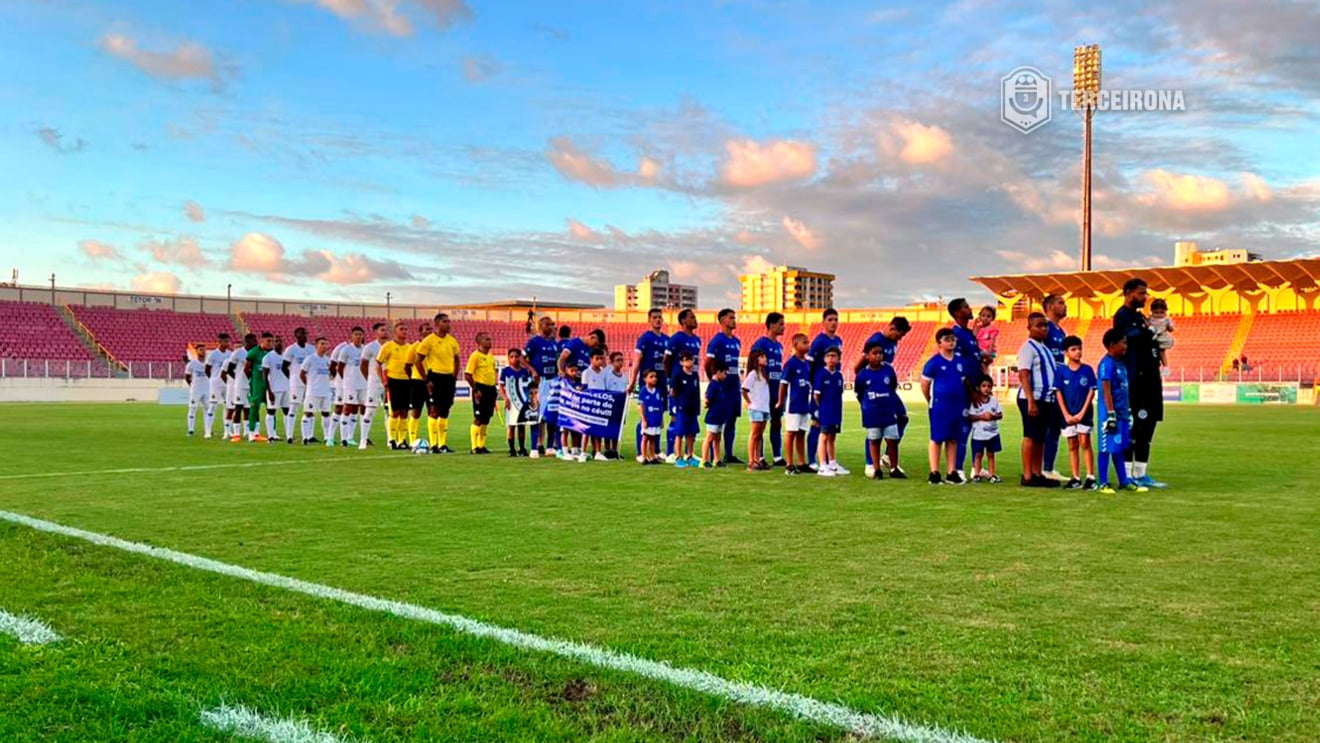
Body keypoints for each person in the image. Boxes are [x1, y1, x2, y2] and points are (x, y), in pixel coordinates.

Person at [1113, 278, 1165, 488]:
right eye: (1141, 293)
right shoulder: (1123, 316)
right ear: (1128, 293)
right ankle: (1127, 475)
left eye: (1146, 293)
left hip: (1151, 378)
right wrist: (1149, 332)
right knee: (1135, 427)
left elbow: (1149, 339)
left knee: (1148, 425)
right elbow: (1130, 338)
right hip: (1137, 380)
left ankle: (1141, 472)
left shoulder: (1140, 317)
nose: (1145, 297)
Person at [1096, 328, 1148, 494]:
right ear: (1112, 344)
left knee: (1119, 448)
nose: (1126, 346)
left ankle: (1123, 481)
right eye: (1123, 343)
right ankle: (1103, 483)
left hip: (1123, 413)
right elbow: (1106, 389)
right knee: (1106, 448)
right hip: (1110, 415)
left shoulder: (1121, 363)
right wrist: (1110, 414)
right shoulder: (1106, 364)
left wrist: (1128, 411)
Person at [858, 317, 911, 477]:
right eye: (899, 335)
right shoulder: (876, 340)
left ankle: (888, 456)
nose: (899, 339)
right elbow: (858, 365)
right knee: (874, 427)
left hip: (887, 388)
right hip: (873, 388)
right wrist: (867, 385)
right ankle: (870, 464)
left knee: (902, 418)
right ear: (892, 328)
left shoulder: (892, 342)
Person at [921, 327, 969, 485]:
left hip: (957, 406)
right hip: (940, 406)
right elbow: (925, 384)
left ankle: (951, 472)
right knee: (937, 438)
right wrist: (930, 400)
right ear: (939, 343)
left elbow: (963, 381)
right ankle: (934, 472)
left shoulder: (959, 360)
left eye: (953, 339)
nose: (951, 342)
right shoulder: (934, 362)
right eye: (947, 339)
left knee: (953, 439)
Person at [1016, 313, 1059, 488]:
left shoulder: (1044, 348)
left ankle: (1037, 472)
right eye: (1039, 326)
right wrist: (1031, 400)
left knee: (1040, 437)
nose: (1043, 329)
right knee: (1030, 435)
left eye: (1045, 326)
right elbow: (1024, 374)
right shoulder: (1028, 348)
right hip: (1033, 398)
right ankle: (1027, 475)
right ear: (1029, 327)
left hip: (1046, 398)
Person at [413, 313, 462, 454]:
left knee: (445, 410)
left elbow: (457, 359)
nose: (448, 324)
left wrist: (454, 376)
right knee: (434, 409)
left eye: (449, 321)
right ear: (437, 324)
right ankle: (433, 444)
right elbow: (418, 361)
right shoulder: (428, 341)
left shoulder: (452, 341)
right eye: (445, 321)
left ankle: (442, 444)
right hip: (435, 377)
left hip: (448, 378)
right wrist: (426, 379)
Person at [854, 342, 902, 480]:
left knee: (892, 440)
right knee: (875, 440)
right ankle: (877, 469)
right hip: (872, 415)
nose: (878, 356)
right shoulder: (863, 375)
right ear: (867, 356)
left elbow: (892, 387)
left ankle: (894, 468)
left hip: (888, 412)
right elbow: (859, 393)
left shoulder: (888, 370)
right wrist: (867, 406)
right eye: (875, 353)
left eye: (880, 353)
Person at [1055, 335, 1097, 490]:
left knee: (1085, 442)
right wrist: (1066, 414)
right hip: (1067, 415)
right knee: (1072, 445)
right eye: (1073, 349)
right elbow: (1058, 393)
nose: (1078, 352)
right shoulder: (1061, 371)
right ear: (1066, 352)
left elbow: (1091, 392)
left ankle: (1091, 476)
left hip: (1083, 414)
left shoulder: (1087, 370)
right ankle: (1075, 477)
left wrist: (1081, 413)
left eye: (1080, 348)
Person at [947, 299, 981, 476]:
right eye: (966, 307)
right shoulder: (955, 335)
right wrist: (972, 391)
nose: (970, 309)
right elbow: (960, 367)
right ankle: (957, 468)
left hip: (975, 387)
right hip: (964, 390)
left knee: (978, 427)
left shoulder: (969, 333)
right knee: (961, 429)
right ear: (957, 312)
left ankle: (976, 468)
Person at [663, 309, 702, 462]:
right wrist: (671, 377)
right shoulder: (676, 339)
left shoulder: (697, 340)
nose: (695, 319)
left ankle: (689, 453)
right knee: (675, 419)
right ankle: (671, 452)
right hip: (679, 385)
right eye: (692, 317)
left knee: (690, 422)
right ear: (684, 321)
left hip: (691, 385)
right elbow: (666, 360)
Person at [705, 308, 743, 465]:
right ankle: (714, 456)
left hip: (734, 386)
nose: (734, 320)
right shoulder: (717, 340)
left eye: (735, 317)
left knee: (732, 420)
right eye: (730, 318)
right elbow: (708, 363)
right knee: (721, 420)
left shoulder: (736, 341)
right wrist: (714, 381)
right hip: (723, 388)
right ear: (722, 321)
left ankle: (729, 453)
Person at [805, 308, 842, 470]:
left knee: (831, 428)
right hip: (820, 390)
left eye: (835, 319)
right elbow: (809, 364)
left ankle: (830, 462)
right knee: (817, 424)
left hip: (832, 393)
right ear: (824, 322)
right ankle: (813, 460)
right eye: (830, 319)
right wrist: (813, 385)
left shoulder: (838, 340)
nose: (833, 322)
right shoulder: (819, 341)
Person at [629, 309, 668, 458]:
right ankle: (641, 452)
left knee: (657, 415)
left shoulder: (666, 339)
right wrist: (632, 381)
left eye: (660, 317)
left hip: (661, 382)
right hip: (647, 383)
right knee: (644, 416)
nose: (658, 320)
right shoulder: (645, 338)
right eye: (655, 317)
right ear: (649, 320)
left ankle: (655, 451)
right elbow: (637, 360)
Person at [750, 312, 786, 466]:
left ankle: (777, 456)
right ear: (772, 325)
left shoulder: (779, 346)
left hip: (776, 391)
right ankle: (761, 457)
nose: (783, 327)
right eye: (780, 324)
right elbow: (753, 365)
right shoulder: (760, 344)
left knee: (777, 423)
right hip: (763, 392)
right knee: (761, 425)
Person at [1041, 294, 1069, 480]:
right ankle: (1043, 468)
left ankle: (1049, 467)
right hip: (1047, 387)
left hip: (1058, 384)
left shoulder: (1061, 332)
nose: (1065, 306)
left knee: (1056, 428)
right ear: (1050, 307)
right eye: (1061, 303)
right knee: (1047, 428)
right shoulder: (1045, 329)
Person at [524, 316, 561, 458]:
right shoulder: (534, 342)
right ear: (540, 326)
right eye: (547, 324)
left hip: (552, 382)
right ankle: (534, 447)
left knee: (551, 416)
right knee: (536, 415)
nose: (550, 326)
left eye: (552, 324)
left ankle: (550, 446)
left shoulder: (553, 343)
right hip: (540, 383)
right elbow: (522, 358)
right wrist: (533, 371)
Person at [376, 322, 414, 450]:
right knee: (394, 412)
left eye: (406, 329)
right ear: (395, 332)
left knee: (404, 412)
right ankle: (392, 440)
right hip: (393, 381)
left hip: (407, 381)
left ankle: (402, 440)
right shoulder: (388, 346)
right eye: (401, 329)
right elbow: (378, 364)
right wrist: (383, 380)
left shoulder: (410, 347)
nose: (404, 331)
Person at [779, 333, 812, 475]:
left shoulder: (807, 364)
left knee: (801, 433)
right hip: (793, 404)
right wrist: (781, 401)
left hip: (805, 404)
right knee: (791, 433)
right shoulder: (790, 363)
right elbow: (783, 384)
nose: (808, 345)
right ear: (796, 345)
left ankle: (802, 462)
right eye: (804, 342)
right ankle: (789, 463)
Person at [812, 347, 847, 477]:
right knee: (824, 436)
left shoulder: (839, 375)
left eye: (834, 356)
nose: (831, 359)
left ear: (839, 359)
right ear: (824, 359)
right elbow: (816, 395)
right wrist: (821, 409)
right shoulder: (821, 374)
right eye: (829, 356)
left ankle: (832, 464)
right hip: (825, 410)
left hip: (836, 410)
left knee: (832, 437)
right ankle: (822, 465)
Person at [331, 327, 367, 447]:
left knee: (360, 409)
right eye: (356, 334)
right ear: (351, 336)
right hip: (350, 384)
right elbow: (339, 367)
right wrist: (347, 380)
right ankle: (343, 438)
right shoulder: (346, 350)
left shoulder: (364, 349)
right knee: (347, 408)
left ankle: (353, 437)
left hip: (363, 384)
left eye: (360, 334)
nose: (358, 336)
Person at [464, 331, 497, 455]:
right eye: (487, 339)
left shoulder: (490, 356)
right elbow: (468, 374)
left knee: (486, 418)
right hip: (481, 389)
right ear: (479, 342)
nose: (490, 341)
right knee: (478, 417)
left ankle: (482, 445)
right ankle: (474, 446)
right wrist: (476, 389)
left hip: (490, 389)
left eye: (490, 339)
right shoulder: (475, 356)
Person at [966, 375, 1003, 483]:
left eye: (989, 386)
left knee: (991, 454)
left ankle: (992, 474)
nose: (986, 388)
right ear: (978, 387)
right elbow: (970, 417)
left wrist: (992, 416)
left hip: (992, 433)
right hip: (979, 434)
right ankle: (977, 473)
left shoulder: (994, 401)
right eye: (984, 386)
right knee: (978, 454)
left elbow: (1000, 415)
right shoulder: (975, 402)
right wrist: (982, 417)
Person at [498, 347, 534, 457]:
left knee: (522, 425)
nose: (514, 359)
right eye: (512, 357)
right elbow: (501, 386)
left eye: (516, 356)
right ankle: (512, 449)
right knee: (511, 426)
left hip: (522, 402)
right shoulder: (506, 371)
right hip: (511, 402)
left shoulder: (524, 371)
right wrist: (505, 398)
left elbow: (529, 386)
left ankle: (522, 448)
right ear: (508, 359)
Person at [741, 348, 771, 472]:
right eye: (763, 357)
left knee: (759, 435)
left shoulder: (763, 374)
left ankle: (757, 459)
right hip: (757, 407)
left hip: (764, 407)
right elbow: (744, 389)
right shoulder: (753, 373)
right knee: (754, 434)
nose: (765, 359)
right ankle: (751, 460)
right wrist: (749, 402)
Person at [669, 350, 701, 468]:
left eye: (691, 359)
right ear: (681, 362)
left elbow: (697, 391)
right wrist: (677, 404)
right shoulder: (677, 375)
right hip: (682, 408)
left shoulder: (695, 375)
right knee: (679, 433)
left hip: (692, 409)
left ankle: (690, 455)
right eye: (686, 360)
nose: (689, 362)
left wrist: (697, 407)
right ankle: (678, 457)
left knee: (691, 434)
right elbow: (673, 392)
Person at [299, 337, 334, 445]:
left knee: (326, 414)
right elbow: (302, 374)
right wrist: (309, 385)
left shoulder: (328, 360)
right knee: (308, 413)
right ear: (316, 346)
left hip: (325, 391)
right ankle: (305, 437)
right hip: (313, 391)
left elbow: (331, 375)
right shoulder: (310, 359)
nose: (324, 346)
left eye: (326, 344)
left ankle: (327, 437)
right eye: (322, 344)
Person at [281, 327, 313, 443]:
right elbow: (284, 366)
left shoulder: (311, 349)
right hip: (296, 383)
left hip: (309, 383)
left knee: (310, 408)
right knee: (293, 408)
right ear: (296, 335)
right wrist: (291, 378)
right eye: (301, 333)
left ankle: (309, 435)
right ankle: (289, 436)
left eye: (305, 333)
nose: (304, 335)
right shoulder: (291, 349)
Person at [359, 322, 388, 449]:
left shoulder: (390, 346)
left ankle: (390, 440)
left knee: (389, 412)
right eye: (382, 330)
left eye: (386, 330)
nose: (385, 332)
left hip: (388, 383)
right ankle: (363, 440)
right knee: (370, 411)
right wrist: (370, 379)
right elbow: (363, 366)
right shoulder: (370, 347)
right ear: (375, 332)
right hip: (374, 383)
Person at [224, 333, 256, 442]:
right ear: (247, 342)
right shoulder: (238, 353)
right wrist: (238, 378)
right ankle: (236, 434)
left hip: (251, 385)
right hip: (240, 385)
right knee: (238, 408)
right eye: (253, 340)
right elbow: (229, 369)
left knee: (248, 409)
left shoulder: (255, 353)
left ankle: (247, 432)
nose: (255, 342)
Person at [203, 333, 232, 439]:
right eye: (225, 341)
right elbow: (207, 369)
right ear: (220, 342)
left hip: (227, 382)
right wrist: (213, 379)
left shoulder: (230, 354)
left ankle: (227, 431)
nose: (227, 343)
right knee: (212, 406)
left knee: (228, 406)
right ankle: (208, 431)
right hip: (216, 383)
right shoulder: (213, 354)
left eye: (228, 341)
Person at [406, 321, 431, 449]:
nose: (429, 331)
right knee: (416, 411)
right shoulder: (414, 347)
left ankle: (435, 441)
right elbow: (408, 366)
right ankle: (412, 440)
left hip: (432, 381)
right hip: (418, 382)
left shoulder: (433, 345)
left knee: (433, 411)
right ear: (420, 332)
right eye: (427, 329)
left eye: (431, 329)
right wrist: (413, 378)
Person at [700, 360, 729, 469]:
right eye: (724, 373)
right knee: (709, 438)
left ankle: (717, 459)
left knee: (717, 438)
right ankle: (704, 460)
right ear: (718, 372)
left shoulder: (719, 384)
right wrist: (706, 404)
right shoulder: (713, 385)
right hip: (713, 416)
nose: (725, 375)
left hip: (720, 416)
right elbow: (707, 398)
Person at [582, 348, 609, 460]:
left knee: (598, 429)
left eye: (601, 358)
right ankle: (583, 451)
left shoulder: (604, 373)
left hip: (600, 405)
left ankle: (597, 452)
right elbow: (584, 389)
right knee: (586, 429)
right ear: (591, 359)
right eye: (597, 358)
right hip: (590, 404)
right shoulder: (586, 373)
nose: (599, 361)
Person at [260, 335, 289, 443]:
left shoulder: (286, 356)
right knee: (271, 412)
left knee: (287, 412)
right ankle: (271, 436)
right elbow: (265, 376)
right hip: (274, 389)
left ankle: (289, 435)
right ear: (273, 343)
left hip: (286, 388)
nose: (278, 343)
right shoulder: (268, 357)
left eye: (280, 341)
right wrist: (269, 391)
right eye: (276, 341)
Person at [603, 351, 629, 459]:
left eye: (621, 360)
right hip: (610, 405)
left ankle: (615, 449)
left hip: (620, 406)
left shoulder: (625, 376)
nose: (620, 363)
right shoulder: (607, 375)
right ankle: (607, 449)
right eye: (617, 360)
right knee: (608, 427)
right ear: (612, 362)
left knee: (617, 428)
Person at [637, 369, 666, 465]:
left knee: (653, 438)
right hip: (648, 418)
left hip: (656, 418)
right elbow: (640, 406)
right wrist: (643, 419)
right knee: (645, 438)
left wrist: (661, 419)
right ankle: (644, 457)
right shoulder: (643, 391)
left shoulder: (658, 391)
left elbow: (660, 406)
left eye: (655, 377)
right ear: (645, 379)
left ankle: (652, 456)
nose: (654, 379)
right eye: (651, 377)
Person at [559, 363, 586, 461]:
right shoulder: (564, 381)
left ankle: (575, 450)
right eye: (572, 371)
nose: (574, 373)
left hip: (576, 410)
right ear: (566, 371)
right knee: (565, 431)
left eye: (576, 371)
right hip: (566, 409)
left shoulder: (579, 381)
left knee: (575, 430)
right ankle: (565, 451)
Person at [184, 345, 208, 436]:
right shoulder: (192, 364)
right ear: (196, 351)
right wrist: (191, 385)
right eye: (201, 350)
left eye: (204, 350)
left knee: (207, 409)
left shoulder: (209, 363)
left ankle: (208, 430)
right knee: (193, 408)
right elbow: (187, 376)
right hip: (196, 390)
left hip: (207, 390)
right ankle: (190, 430)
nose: (203, 352)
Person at [1148, 298, 1175, 367]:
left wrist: (1169, 326)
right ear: (1152, 311)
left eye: (1162, 312)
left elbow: (1171, 329)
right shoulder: (1150, 319)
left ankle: (1165, 366)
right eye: (1156, 312)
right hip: (1152, 339)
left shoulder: (1166, 319)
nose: (1159, 315)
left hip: (1162, 338)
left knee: (1161, 352)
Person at [974, 305, 999, 371]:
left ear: (992, 318)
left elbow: (992, 341)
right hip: (979, 350)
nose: (985, 318)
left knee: (984, 367)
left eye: (988, 316)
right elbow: (974, 335)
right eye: (983, 315)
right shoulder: (979, 328)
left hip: (987, 351)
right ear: (980, 316)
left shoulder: (992, 329)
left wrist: (989, 353)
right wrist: (975, 324)